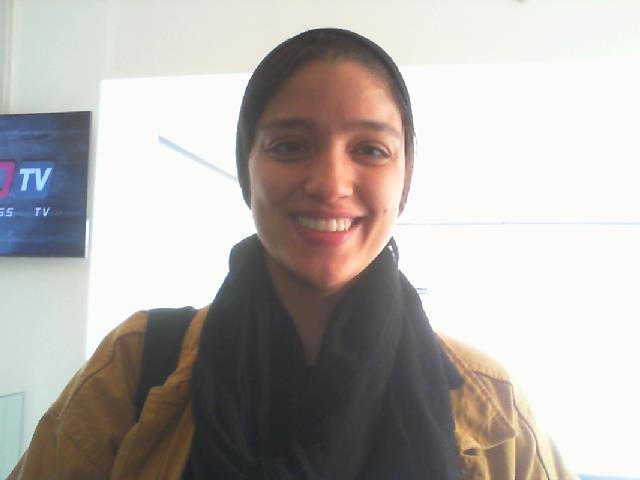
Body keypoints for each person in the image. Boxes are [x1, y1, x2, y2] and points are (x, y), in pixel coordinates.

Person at [9, 28, 576, 479]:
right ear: (246, 168)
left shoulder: (492, 406)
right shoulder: (135, 368)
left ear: (404, 179)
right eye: (289, 145)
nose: (330, 182)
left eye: (370, 149)